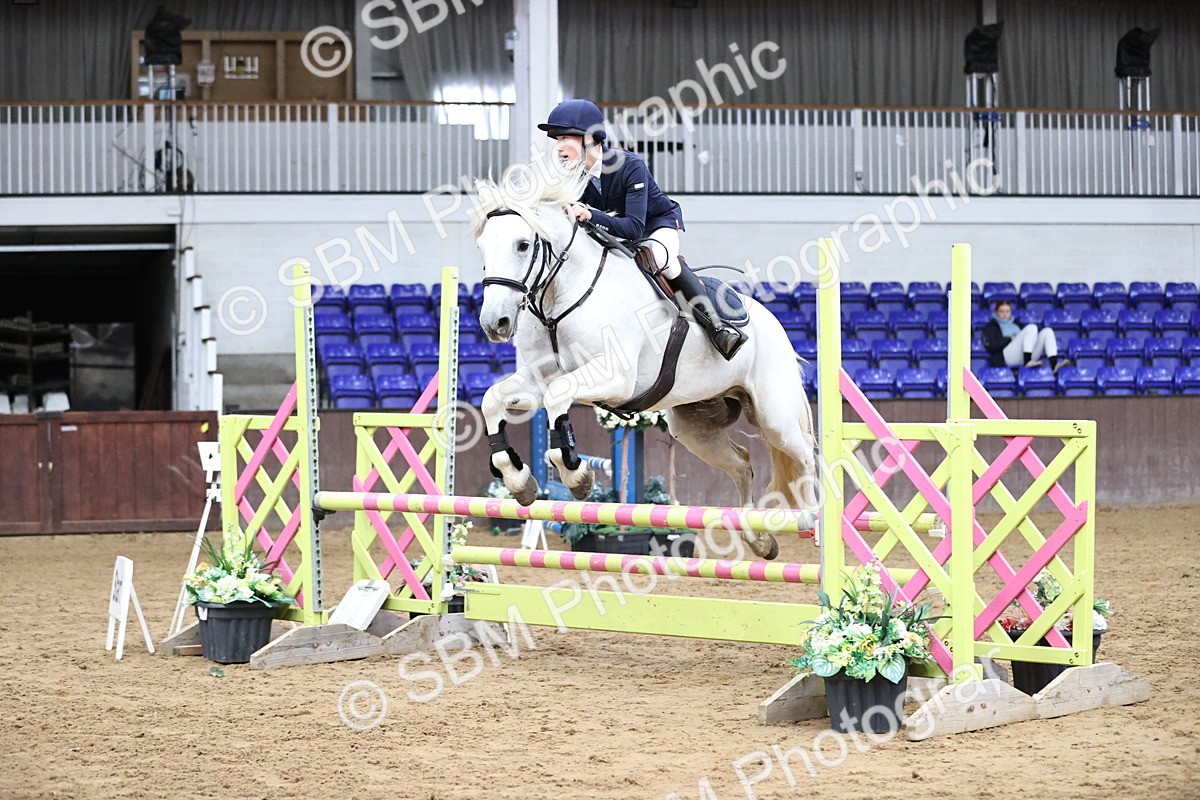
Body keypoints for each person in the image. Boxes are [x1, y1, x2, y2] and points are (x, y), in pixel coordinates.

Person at [537, 98, 747, 360]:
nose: (559, 148)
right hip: (612, 228)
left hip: (656, 225)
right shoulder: (571, 176)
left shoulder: (629, 165)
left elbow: (635, 228)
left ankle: (717, 328)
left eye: (565, 138)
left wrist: (591, 214)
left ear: (590, 139)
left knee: (663, 259)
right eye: (556, 140)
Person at [981, 300, 1071, 373]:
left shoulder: (1016, 324)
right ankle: (1027, 361)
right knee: (1031, 327)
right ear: (996, 313)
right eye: (1002, 311)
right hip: (1006, 356)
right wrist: (1009, 339)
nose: (1005, 314)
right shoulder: (991, 326)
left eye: (1007, 311)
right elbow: (991, 345)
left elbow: (1028, 340)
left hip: (1024, 353)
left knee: (1047, 331)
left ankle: (1054, 364)